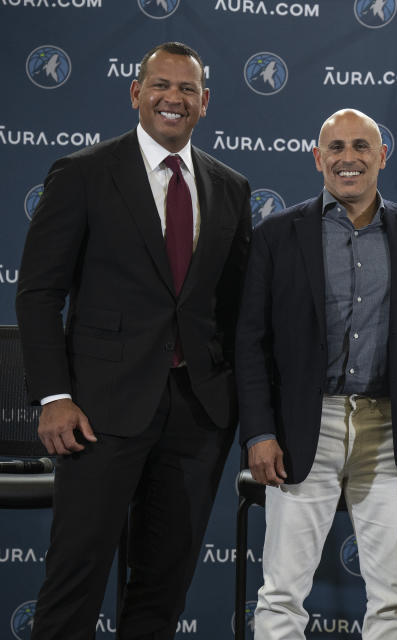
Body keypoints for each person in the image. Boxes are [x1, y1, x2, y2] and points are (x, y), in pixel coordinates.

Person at [15, 42, 252, 638]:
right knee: (75, 579)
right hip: (98, 411)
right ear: (136, 93)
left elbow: (235, 309)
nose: (174, 97)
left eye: (187, 89)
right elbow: (39, 294)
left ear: (204, 103)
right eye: (161, 85)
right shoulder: (84, 174)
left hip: (198, 416)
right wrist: (51, 397)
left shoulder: (231, 188)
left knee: (162, 589)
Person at [235, 108, 397, 639]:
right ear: (318, 159)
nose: (348, 158)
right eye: (336, 148)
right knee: (281, 594)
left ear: (382, 156)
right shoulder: (275, 235)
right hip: (301, 427)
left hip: (390, 427)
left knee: (394, 597)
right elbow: (250, 343)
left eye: (361, 146)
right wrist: (260, 432)